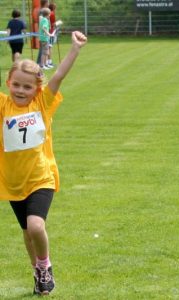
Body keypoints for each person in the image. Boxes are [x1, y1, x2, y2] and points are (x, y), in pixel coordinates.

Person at [0, 31, 87, 296]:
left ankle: (45, 265)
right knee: (28, 234)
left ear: (36, 89)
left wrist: (74, 48)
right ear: (8, 82)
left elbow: (58, 76)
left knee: (37, 226)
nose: (21, 90)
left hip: (41, 177)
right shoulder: (3, 106)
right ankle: (38, 272)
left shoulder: (42, 103)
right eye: (17, 85)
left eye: (27, 87)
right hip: (13, 182)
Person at [36, 0, 49, 66]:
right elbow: (41, 21)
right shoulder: (42, 11)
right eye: (48, 2)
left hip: (43, 33)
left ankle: (43, 63)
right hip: (43, 34)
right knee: (43, 50)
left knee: (43, 49)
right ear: (46, 3)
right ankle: (40, 63)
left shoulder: (43, 10)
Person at [48, 3, 57, 67]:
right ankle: (49, 62)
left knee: (47, 47)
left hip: (48, 32)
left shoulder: (48, 13)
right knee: (50, 47)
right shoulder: (52, 14)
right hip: (51, 32)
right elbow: (53, 24)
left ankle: (47, 62)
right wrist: (57, 24)